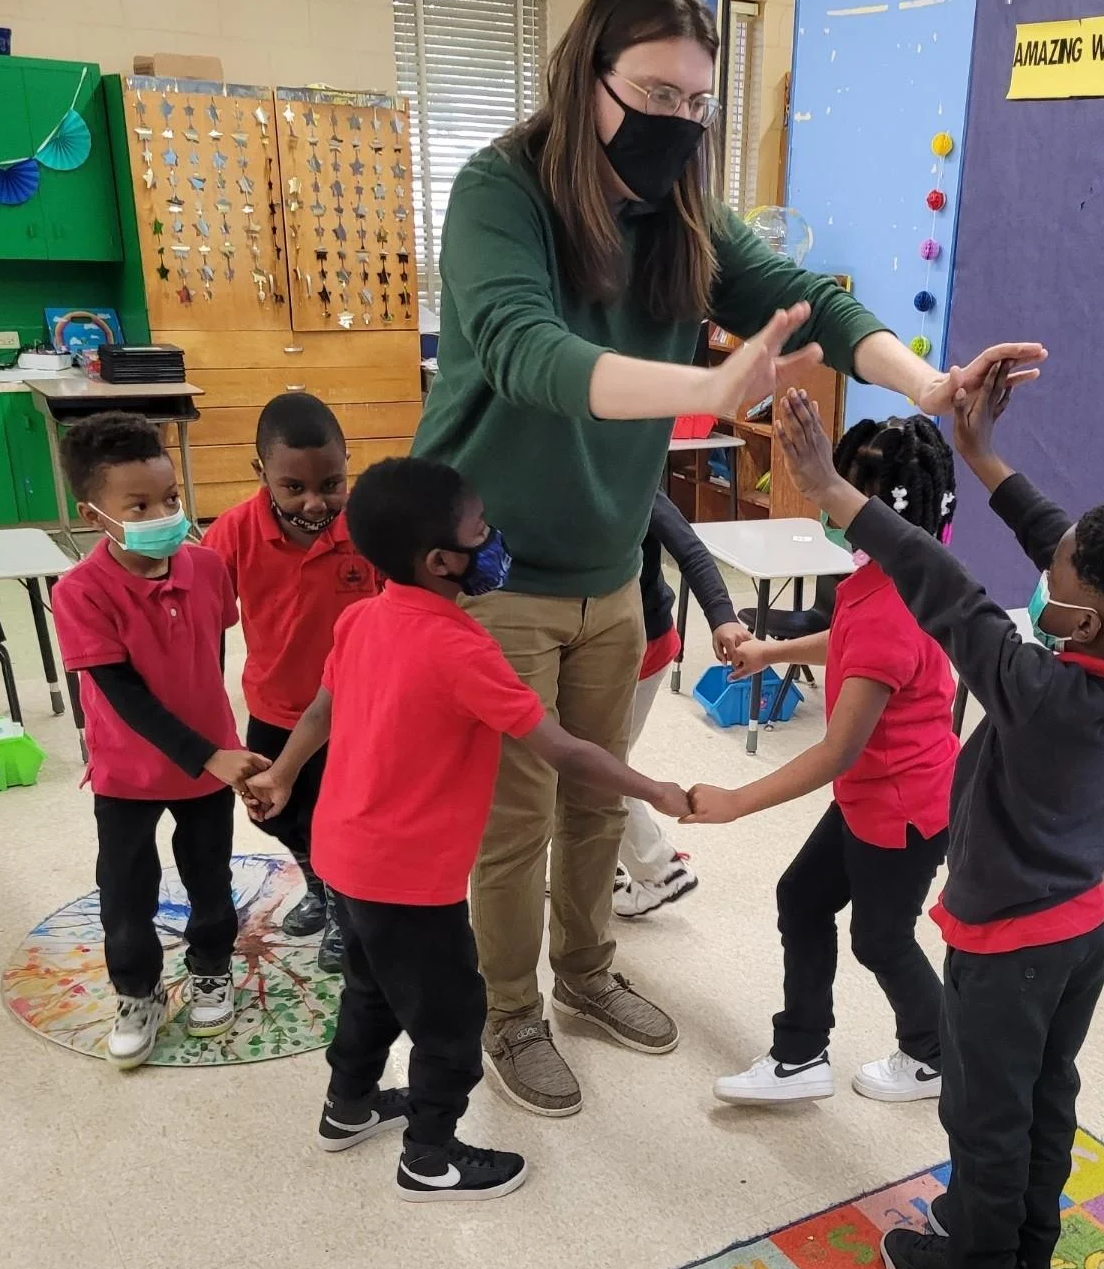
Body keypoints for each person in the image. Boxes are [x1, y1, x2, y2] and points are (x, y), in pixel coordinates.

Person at [413, 0, 1045, 1119]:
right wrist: (703, 393)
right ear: (585, 77)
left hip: (609, 564)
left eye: (699, 104)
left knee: (602, 800)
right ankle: (510, 1011)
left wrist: (932, 383)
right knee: (515, 818)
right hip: (490, 569)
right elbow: (522, 350)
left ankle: (589, 971)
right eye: (656, 97)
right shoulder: (502, 188)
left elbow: (824, 301)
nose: (679, 124)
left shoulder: (684, 213)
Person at [770, 377, 1104, 1269]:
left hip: (1006, 942)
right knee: (1047, 1096)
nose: (1049, 570)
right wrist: (981, 455)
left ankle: (980, 1268)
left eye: (1062, 575)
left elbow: (946, 592)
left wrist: (834, 491)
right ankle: (1028, 1248)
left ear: (1084, 620)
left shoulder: (1044, 695)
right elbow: (1058, 541)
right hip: (1076, 933)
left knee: (985, 1112)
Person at [244, 457, 689, 1196]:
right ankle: (431, 1155)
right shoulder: (463, 649)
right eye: (480, 531)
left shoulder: (360, 619)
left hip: (343, 859)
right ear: (441, 561)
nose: (493, 539)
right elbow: (565, 749)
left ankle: (347, 1108)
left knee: (370, 990)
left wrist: (285, 771)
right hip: (413, 883)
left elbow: (322, 708)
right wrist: (656, 789)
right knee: (453, 1020)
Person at [686, 417, 960, 1105]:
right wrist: (773, 652)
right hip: (881, 794)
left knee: (881, 939)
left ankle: (934, 1056)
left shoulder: (890, 605)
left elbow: (839, 749)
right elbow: (853, 645)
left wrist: (737, 802)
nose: (825, 498)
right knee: (802, 898)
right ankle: (801, 1055)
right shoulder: (909, 567)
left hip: (901, 808)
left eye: (836, 488)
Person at [51, 413, 267, 1068]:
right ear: (96, 515)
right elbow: (124, 697)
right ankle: (137, 994)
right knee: (126, 892)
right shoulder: (79, 592)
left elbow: (209, 648)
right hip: (127, 775)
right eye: (139, 505)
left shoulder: (206, 568)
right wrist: (210, 751)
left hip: (207, 769)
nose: (164, 514)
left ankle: (210, 970)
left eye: (170, 499)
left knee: (209, 877)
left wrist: (217, 741)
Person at [203, 393, 376, 974]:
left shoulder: (368, 532)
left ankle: (345, 914)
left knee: (343, 825)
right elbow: (201, 617)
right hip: (274, 708)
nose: (314, 502)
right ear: (261, 475)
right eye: (292, 487)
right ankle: (319, 887)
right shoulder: (231, 533)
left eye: (332, 483)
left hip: (355, 714)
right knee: (278, 814)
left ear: (349, 463)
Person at [612, 490, 747, 920]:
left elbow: (690, 549)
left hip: (641, 648)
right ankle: (599, 862)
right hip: (589, 646)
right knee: (584, 761)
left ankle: (660, 871)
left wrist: (723, 615)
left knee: (598, 765)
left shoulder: (635, 480)